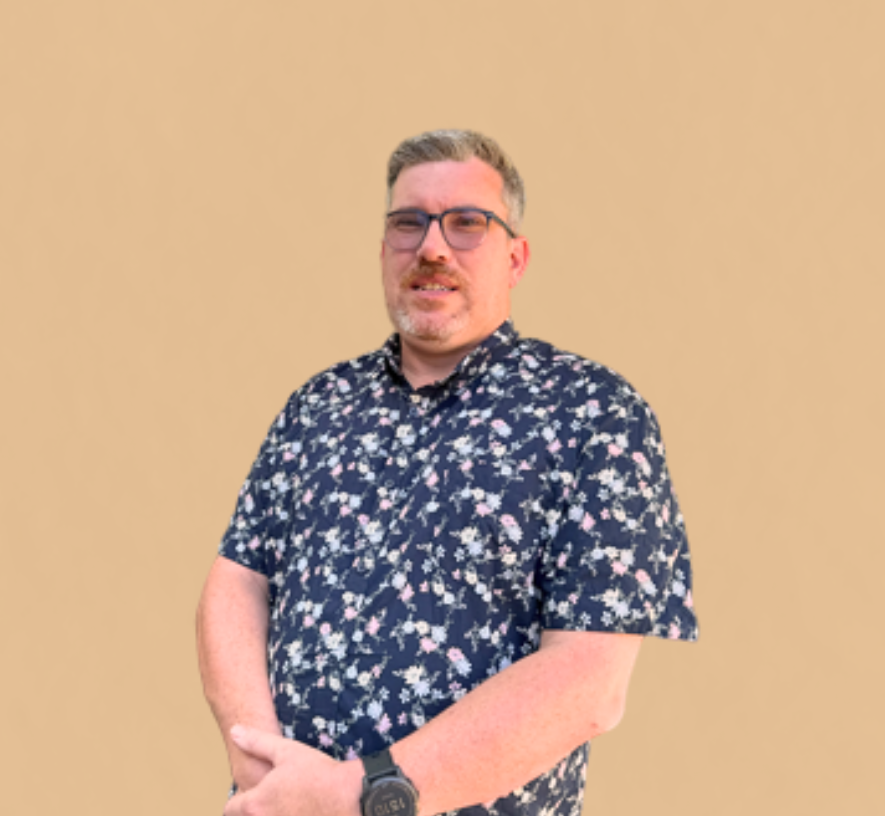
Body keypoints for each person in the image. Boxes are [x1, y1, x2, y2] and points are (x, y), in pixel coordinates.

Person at [196, 129, 698, 816]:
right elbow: (237, 581)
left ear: (515, 257)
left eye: (467, 223)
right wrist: (265, 777)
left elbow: (588, 683)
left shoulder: (593, 412)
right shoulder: (317, 405)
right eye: (408, 224)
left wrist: (357, 797)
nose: (431, 246)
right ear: (382, 251)